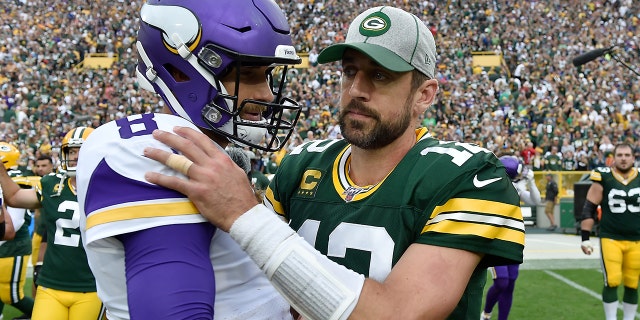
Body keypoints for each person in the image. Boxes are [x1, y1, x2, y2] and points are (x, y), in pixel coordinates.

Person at [144, 6, 525, 319]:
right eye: (349, 72)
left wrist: (245, 214)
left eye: (380, 75)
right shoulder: (299, 166)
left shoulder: (469, 176)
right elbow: (251, 287)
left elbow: (401, 312)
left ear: (423, 94)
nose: (357, 90)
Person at [75, 1, 301, 319]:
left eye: (267, 76)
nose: (266, 95)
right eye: (247, 74)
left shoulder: (217, 154)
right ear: (183, 71)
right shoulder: (150, 150)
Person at [0, 127, 105, 320]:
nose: (75, 157)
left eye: (80, 150)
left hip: (90, 285)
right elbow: (15, 197)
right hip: (51, 283)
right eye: (71, 151)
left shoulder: (109, 187)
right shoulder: (52, 184)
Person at [580, 143, 640, 320]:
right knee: (612, 280)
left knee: (632, 283)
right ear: (614, 157)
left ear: (633, 157)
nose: (623, 158)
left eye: (627, 155)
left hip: (637, 239)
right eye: (620, 155)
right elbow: (589, 208)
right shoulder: (604, 177)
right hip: (611, 238)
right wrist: (585, 238)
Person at [482, 156, 541, 320]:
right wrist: (519, 185)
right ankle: (486, 314)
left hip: (513, 238)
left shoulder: (515, 186)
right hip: (494, 239)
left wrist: (532, 182)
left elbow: (536, 201)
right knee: (502, 281)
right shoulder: (493, 186)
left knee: (509, 285)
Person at [0, 142, 34, 320]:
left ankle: (45, 315)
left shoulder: (16, 179)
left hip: (13, 244)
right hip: (5, 243)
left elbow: (16, 221)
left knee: (12, 295)